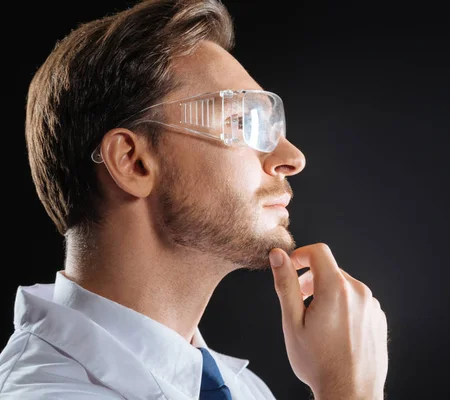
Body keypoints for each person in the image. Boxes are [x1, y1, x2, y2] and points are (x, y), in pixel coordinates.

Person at [0, 0, 389, 398]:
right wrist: (349, 389)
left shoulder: (247, 391)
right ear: (133, 162)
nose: (292, 159)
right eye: (241, 122)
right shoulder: (44, 392)